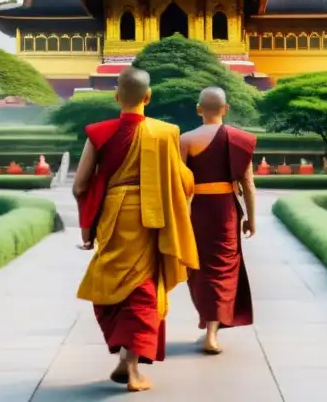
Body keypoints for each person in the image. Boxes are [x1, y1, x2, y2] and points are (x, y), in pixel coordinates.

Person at [73, 66, 199, 392]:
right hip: (150, 217)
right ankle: (130, 367)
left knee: (110, 281)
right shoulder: (166, 132)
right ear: (148, 96)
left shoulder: (98, 132)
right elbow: (182, 180)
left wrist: (86, 227)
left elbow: (80, 186)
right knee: (143, 287)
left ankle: (125, 360)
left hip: (113, 217)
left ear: (116, 96)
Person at [180, 86, 257, 354]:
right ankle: (212, 331)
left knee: (200, 269)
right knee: (223, 269)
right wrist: (251, 219)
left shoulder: (186, 139)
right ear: (226, 109)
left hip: (197, 211)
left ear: (199, 109)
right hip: (226, 211)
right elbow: (247, 183)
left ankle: (210, 326)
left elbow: (179, 184)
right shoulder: (238, 138)